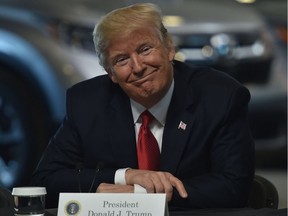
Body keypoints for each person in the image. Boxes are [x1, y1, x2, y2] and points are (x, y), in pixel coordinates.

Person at [31, 3, 255, 210]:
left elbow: (233, 187)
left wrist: (140, 197)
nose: (138, 67)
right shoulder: (87, 102)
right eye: (121, 60)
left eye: (145, 49)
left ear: (169, 49)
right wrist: (124, 177)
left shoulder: (221, 97)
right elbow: (44, 181)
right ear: (110, 73)